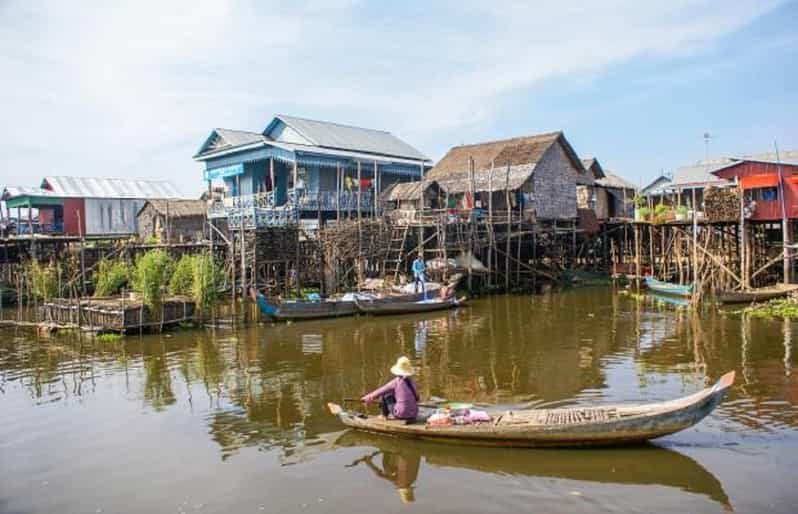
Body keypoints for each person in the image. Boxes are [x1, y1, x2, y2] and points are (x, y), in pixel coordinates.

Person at [361, 356, 419, 421]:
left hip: (401, 414)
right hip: (414, 414)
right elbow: (417, 397)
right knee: (393, 394)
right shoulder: (412, 382)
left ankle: (384, 415)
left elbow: (380, 391)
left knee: (386, 394)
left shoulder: (395, 382)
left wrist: (367, 398)